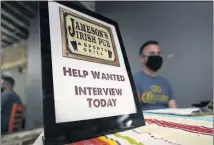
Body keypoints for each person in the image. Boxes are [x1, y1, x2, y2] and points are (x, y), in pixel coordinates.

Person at [133, 40, 177, 110]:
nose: (156, 56)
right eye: (152, 53)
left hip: (165, 119)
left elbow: (174, 108)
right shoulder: (134, 79)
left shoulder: (165, 82)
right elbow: (135, 109)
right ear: (142, 58)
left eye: (158, 53)